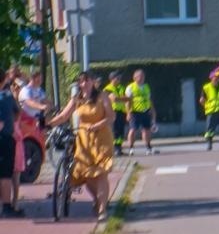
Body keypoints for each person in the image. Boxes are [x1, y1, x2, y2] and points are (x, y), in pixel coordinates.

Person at [49, 75, 115, 220]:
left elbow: (111, 117)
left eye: (87, 80)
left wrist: (97, 125)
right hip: (84, 140)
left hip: (101, 138)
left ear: (93, 82)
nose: (84, 83)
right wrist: (48, 124)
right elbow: (63, 116)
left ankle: (102, 210)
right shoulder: (77, 99)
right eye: (81, 81)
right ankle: (97, 200)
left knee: (101, 173)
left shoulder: (102, 97)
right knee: (87, 175)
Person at [125, 69, 156, 155]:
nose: (142, 78)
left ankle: (148, 147)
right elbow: (127, 101)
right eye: (140, 76)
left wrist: (152, 109)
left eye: (143, 76)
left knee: (147, 130)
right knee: (133, 130)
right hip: (135, 112)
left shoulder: (146, 86)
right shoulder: (131, 87)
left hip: (145, 111)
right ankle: (131, 148)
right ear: (135, 77)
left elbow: (149, 99)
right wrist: (128, 113)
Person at [0, 69, 18, 218]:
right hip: (5, 138)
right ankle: (6, 206)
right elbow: (17, 113)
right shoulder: (7, 96)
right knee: (5, 174)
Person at [106, 71, 128, 156]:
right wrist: (123, 98)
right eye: (117, 78)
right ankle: (115, 148)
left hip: (122, 111)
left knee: (121, 130)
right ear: (112, 79)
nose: (119, 79)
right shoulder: (108, 88)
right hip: (113, 111)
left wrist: (122, 98)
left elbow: (128, 98)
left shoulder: (121, 87)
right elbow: (114, 99)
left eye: (119, 78)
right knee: (115, 131)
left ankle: (119, 148)